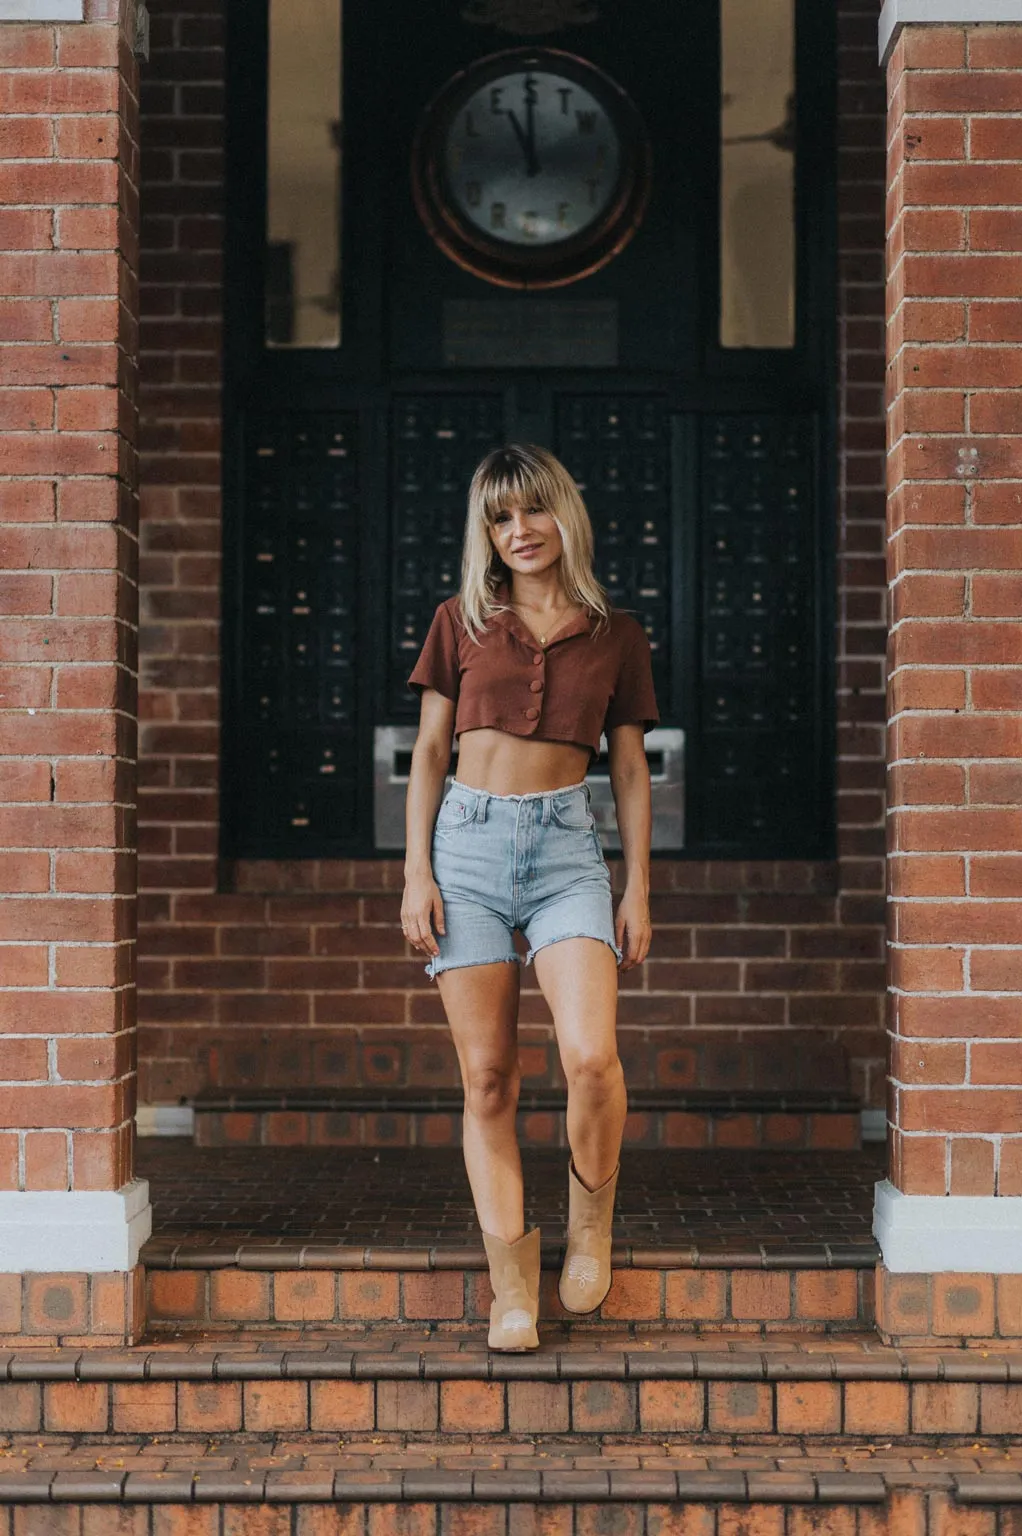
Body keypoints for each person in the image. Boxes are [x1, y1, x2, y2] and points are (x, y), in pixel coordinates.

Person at [401, 443, 658, 1352]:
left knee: (591, 1057)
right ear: (487, 534)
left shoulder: (616, 632)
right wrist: (416, 872)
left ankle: (591, 1227)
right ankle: (513, 1287)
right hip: (464, 851)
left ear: (565, 515)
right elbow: (430, 755)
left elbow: (628, 766)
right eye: (501, 519)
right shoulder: (459, 621)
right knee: (489, 1080)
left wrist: (638, 887)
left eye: (533, 511)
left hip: (565, 855)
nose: (520, 532)